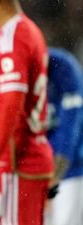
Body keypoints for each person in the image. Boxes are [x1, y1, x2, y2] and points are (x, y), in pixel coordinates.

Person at [0, 0, 55, 224]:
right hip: (22, 162)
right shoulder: (26, 31)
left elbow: (11, 104)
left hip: (17, 163)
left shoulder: (13, 37)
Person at [44, 48, 83, 225]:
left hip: (71, 172)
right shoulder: (13, 71)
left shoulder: (63, 67)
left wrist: (51, 182)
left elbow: (70, 131)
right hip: (33, 174)